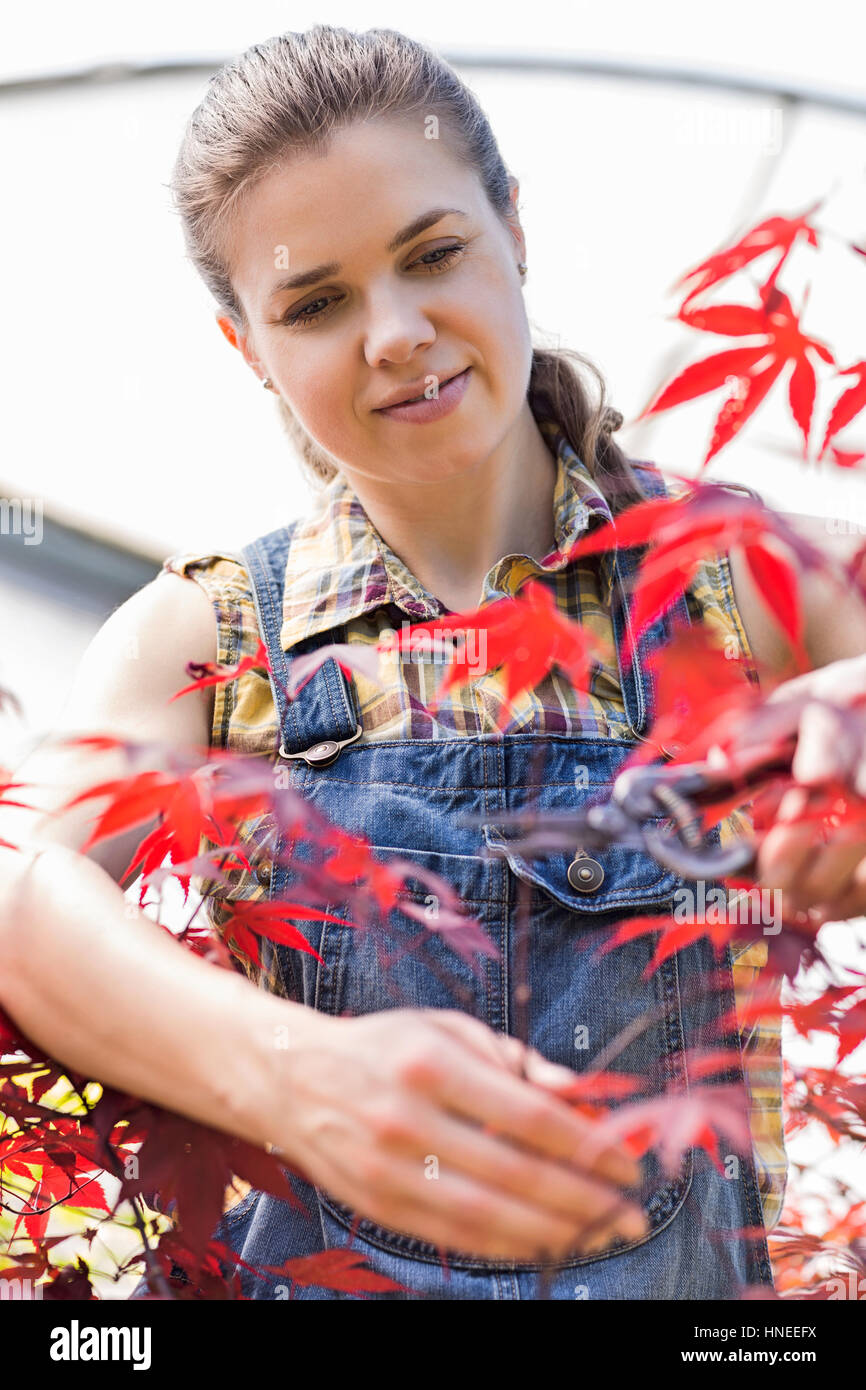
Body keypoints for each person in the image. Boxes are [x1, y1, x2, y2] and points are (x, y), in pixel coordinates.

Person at [1, 25, 865, 1301]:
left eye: (434, 254)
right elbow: (23, 894)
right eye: (315, 303)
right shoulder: (209, 635)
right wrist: (292, 1072)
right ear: (248, 347)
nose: (396, 333)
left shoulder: (739, 576)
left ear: (514, 230)